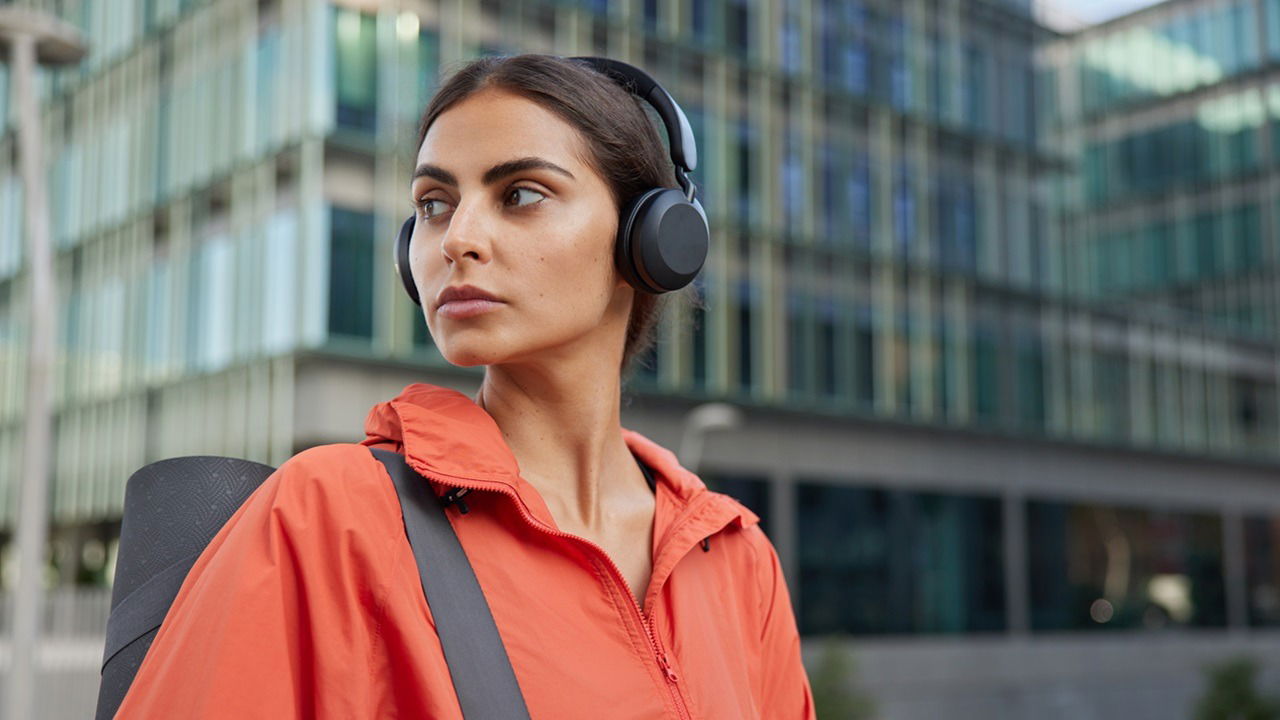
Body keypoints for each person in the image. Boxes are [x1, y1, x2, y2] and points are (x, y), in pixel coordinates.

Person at [114, 53, 815, 719]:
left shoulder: (735, 555)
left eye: (521, 194)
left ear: (651, 240)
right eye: (434, 203)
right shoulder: (333, 513)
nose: (457, 238)